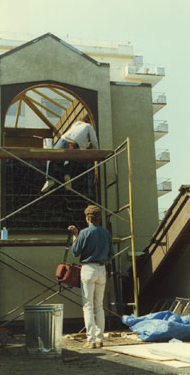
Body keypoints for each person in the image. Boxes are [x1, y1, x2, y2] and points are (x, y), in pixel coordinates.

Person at [69, 205, 114, 349]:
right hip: (102, 269)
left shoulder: (84, 232)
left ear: (87, 217)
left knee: (88, 306)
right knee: (99, 306)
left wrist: (75, 236)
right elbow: (111, 253)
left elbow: (75, 252)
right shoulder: (106, 233)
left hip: (88, 269)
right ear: (99, 217)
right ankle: (100, 339)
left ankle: (91, 339)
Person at [41, 115, 98, 193]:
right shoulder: (88, 126)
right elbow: (94, 141)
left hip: (63, 140)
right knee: (69, 159)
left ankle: (49, 180)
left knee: (51, 156)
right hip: (72, 143)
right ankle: (67, 176)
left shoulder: (75, 125)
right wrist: (96, 152)